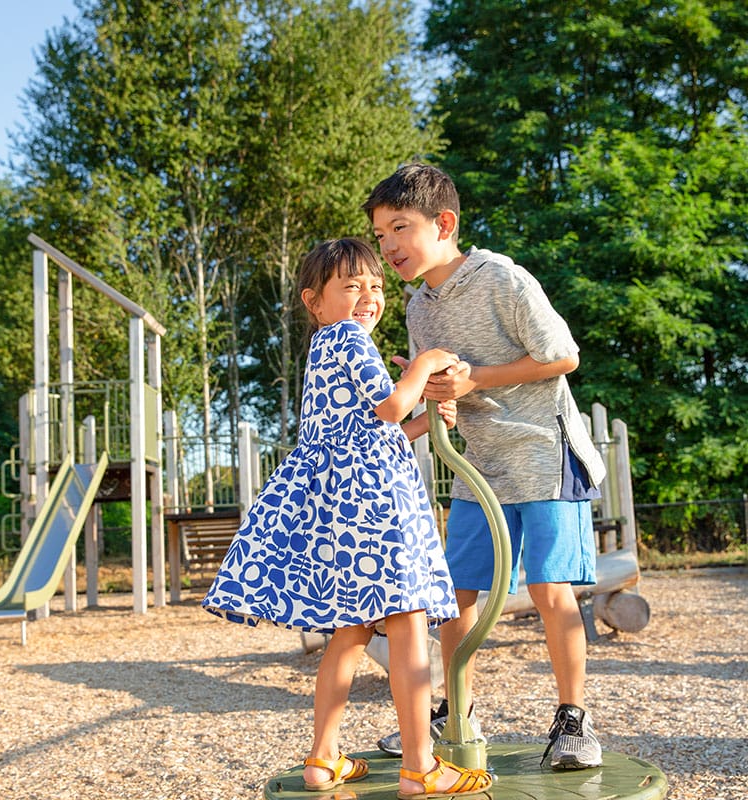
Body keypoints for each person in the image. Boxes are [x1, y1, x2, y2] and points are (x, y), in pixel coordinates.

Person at [202, 237, 494, 798]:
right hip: (376, 509)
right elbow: (389, 407)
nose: (368, 296)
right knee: (409, 624)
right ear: (315, 300)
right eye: (351, 285)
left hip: (343, 510)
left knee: (351, 630)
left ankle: (323, 758)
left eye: (376, 285)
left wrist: (430, 418)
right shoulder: (348, 338)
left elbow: (374, 431)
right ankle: (420, 767)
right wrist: (430, 363)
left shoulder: (323, 351)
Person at [362, 164, 607, 770]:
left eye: (399, 228)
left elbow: (564, 357)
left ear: (444, 224)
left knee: (551, 590)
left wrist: (477, 376)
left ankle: (574, 721)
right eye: (379, 233)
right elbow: (448, 393)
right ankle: (458, 708)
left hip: (545, 457)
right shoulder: (419, 307)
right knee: (456, 595)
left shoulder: (503, 279)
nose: (387, 245)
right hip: (479, 467)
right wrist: (423, 397)